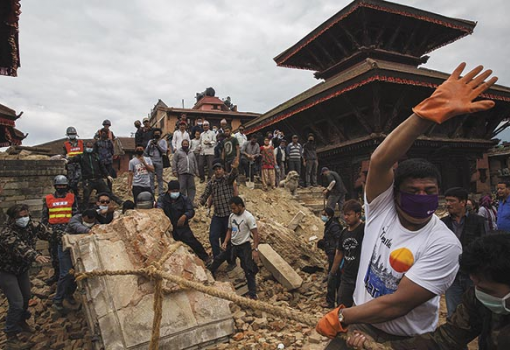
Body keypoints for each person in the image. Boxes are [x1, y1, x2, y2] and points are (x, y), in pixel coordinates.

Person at [316, 63, 497, 345]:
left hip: (405, 339)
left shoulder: (444, 244)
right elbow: (379, 161)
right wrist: (425, 114)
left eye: (430, 191)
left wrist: (342, 317)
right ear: (395, 194)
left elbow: (397, 304)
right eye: (413, 190)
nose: (422, 197)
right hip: (362, 321)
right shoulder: (381, 209)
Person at [347, 233, 510, 350]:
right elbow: (447, 339)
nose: (479, 292)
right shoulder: (477, 297)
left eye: (487, 290)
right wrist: (384, 347)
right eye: (476, 286)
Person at [0, 204, 50, 347]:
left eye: (25, 216)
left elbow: (49, 233)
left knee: (26, 297)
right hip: (6, 271)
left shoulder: (32, 225)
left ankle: (21, 321)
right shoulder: (6, 233)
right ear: (12, 218)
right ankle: (11, 333)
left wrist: (66, 237)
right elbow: (18, 247)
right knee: (16, 302)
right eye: (20, 217)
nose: (23, 219)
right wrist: (35, 256)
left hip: (21, 270)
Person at [442, 187, 486, 319]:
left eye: (452, 201)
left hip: (472, 275)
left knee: (477, 312)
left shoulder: (478, 221)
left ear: (463, 202)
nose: (448, 204)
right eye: (447, 201)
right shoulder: (442, 223)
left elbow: (483, 247)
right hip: (452, 276)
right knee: (453, 314)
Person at [208, 196, 259, 299]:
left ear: (240, 206)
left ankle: (252, 293)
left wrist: (255, 249)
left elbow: (256, 234)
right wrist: (226, 242)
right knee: (219, 258)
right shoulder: (232, 216)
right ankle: (208, 273)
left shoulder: (248, 217)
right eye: (231, 208)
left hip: (244, 246)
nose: (232, 210)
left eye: (234, 208)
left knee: (248, 269)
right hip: (233, 245)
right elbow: (230, 230)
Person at [53, 208, 98, 313]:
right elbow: (78, 227)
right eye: (87, 221)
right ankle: (58, 300)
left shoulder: (96, 219)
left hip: (81, 248)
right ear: (83, 217)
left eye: (91, 222)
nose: (89, 224)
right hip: (66, 248)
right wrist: (89, 231)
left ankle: (68, 295)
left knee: (77, 274)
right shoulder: (75, 219)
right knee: (66, 273)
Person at [157, 180, 210, 262]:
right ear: (169, 191)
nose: (175, 193)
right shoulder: (162, 199)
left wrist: (184, 216)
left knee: (193, 242)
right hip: (169, 229)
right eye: (173, 191)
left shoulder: (184, 199)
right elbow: (158, 210)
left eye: (177, 191)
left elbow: (191, 211)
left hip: (182, 227)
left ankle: (206, 258)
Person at [41, 175, 79, 285]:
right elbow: (44, 216)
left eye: (63, 185)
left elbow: (76, 214)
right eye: (59, 185)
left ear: (67, 186)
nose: (61, 187)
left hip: (68, 230)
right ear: (55, 186)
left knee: (69, 253)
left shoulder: (72, 197)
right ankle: (57, 275)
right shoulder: (48, 198)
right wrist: (45, 229)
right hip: (53, 230)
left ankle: (71, 276)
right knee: (54, 253)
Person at [329, 200, 365, 309]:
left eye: (349, 214)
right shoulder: (344, 233)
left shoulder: (365, 230)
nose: (346, 217)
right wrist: (332, 272)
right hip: (347, 277)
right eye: (345, 214)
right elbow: (339, 253)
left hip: (362, 278)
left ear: (357, 215)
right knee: (342, 307)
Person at [200, 160, 239, 261]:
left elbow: (233, 174)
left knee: (227, 239)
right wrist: (200, 202)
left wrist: (234, 167)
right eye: (216, 170)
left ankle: (230, 260)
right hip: (217, 215)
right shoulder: (211, 183)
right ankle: (217, 258)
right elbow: (205, 195)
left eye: (219, 169)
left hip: (228, 215)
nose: (218, 171)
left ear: (223, 170)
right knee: (213, 237)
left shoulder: (227, 180)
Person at [67, 140, 122, 209]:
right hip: (88, 180)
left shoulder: (96, 156)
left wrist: (108, 175)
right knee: (86, 197)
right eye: (88, 147)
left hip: (98, 179)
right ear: (85, 147)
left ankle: (122, 203)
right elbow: (72, 159)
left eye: (91, 147)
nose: (89, 148)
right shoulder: (82, 156)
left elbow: (102, 167)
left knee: (108, 192)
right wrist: (66, 159)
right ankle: (84, 212)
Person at [317, 207, 343, 309]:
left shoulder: (334, 226)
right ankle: (338, 301)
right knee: (336, 278)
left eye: (324, 214)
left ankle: (331, 302)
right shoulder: (329, 225)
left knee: (332, 278)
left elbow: (338, 240)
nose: (322, 216)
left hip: (334, 255)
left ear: (329, 215)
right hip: (332, 254)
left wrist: (337, 253)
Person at [172, 139, 199, 203]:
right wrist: (174, 170)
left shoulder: (191, 152)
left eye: (186, 144)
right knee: (182, 188)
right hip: (182, 173)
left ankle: (190, 202)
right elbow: (174, 162)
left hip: (191, 173)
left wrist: (196, 171)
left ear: (188, 145)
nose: (185, 145)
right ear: (182, 145)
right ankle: (181, 202)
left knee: (191, 188)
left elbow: (194, 162)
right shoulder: (178, 152)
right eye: (184, 144)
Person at [62, 126, 83, 203]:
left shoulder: (81, 143)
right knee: (71, 180)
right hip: (70, 164)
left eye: (73, 134)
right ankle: (74, 195)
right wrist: (65, 158)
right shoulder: (66, 144)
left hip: (79, 163)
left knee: (78, 178)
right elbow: (64, 154)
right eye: (71, 134)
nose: (72, 135)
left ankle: (75, 194)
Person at [145, 128, 167, 196]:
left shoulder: (163, 141)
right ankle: (152, 192)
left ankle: (160, 192)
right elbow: (146, 151)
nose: (157, 135)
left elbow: (164, 150)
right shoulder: (150, 141)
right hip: (151, 160)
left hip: (159, 160)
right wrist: (150, 145)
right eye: (155, 134)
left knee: (159, 177)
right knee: (151, 177)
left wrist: (158, 145)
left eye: (158, 134)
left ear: (160, 134)